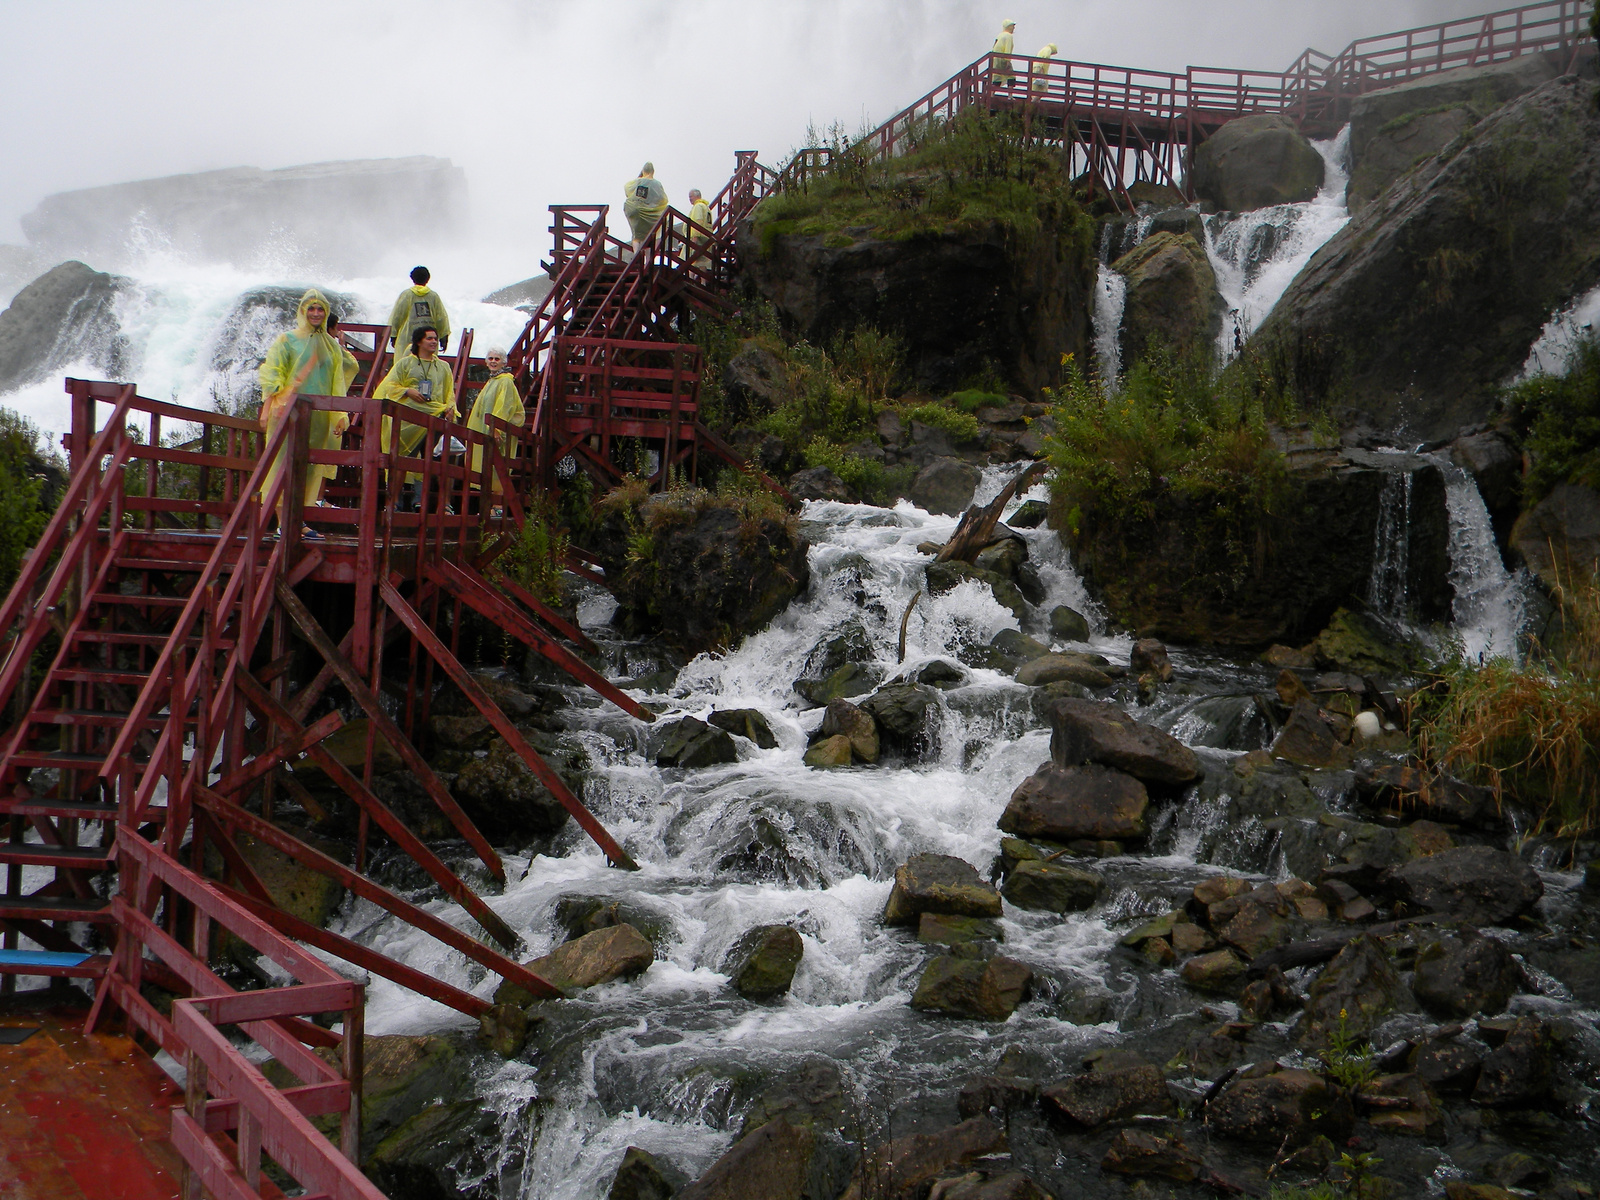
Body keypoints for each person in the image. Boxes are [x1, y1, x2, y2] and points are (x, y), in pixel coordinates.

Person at [257, 288, 350, 541]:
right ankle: (283, 524)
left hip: (317, 416)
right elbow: (272, 371)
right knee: (282, 465)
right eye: (311, 309)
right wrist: (271, 404)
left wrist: (339, 413)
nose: (316, 313)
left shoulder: (331, 346)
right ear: (302, 310)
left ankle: (297, 521)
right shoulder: (288, 339)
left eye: (320, 309)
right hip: (287, 411)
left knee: (308, 469)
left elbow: (337, 380)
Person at [375, 324, 456, 509]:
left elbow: (449, 392)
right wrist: (407, 391)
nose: (434, 341)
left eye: (435, 338)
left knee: (443, 462)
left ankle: (445, 504)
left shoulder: (443, 367)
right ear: (419, 341)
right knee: (401, 461)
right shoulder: (405, 363)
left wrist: (451, 408)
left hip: (435, 417)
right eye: (429, 338)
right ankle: (392, 502)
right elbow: (390, 387)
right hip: (409, 421)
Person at [464, 346, 525, 510]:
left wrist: (497, 428)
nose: (493, 362)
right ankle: (488, 509)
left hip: (498, 433)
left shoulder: (505, 381)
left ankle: (498, 508)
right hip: (487, 432)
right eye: (490, 358)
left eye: (497, 359)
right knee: (488, 469)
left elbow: (504, 406)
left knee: (498, 469)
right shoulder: (491, 381)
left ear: (503, 362)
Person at [387, 266, 451, 355]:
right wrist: (444, 336)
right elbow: (441, 318)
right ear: (428, 279)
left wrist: (393, 335)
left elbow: (397, 316)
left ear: (412, 278)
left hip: (407, 339)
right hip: (428, 340)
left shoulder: (406, 295)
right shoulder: (433, 296)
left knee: (405, 365)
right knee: (427, 364)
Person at [623, 163, 669, 251]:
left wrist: (640, 178)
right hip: (651, 214)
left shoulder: (638, 181)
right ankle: (648, 261)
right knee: (650, 236)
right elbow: (663, 199)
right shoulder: (657, 184)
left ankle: (636, 254)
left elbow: (627, 188)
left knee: (636, 235)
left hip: (635, 211)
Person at [685, 188, 712, 266]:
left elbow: (698, 221)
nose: (689, 199)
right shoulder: (706, 207)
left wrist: (695, 237)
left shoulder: (698, 206)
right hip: (706, 237)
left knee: (691, 261)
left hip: (698, 237)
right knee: (702, 262)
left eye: (691, 196)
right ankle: (704, 278)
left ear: (697, 196)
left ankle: (690, 278)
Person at [991, 20, 1017, 90]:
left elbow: (994, 46)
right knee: (1011, 76)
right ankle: (1010, 95)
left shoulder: (1000, 35)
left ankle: (991, 94)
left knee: (997, 77)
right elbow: (1007, 48)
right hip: (1003, 58)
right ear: (1008, 27)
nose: (1014, 28)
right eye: (1012, 26)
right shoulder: (1009, 36)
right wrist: (1008, 61)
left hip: (995, 58)